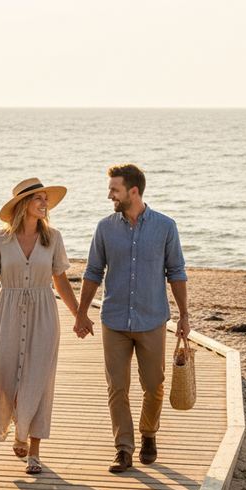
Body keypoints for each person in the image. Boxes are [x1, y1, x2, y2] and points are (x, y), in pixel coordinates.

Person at [75, 163, 190, 474]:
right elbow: (93, 273)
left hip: (152, 319)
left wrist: (184, 315)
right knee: (117, 387)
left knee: (154, 385)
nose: (109, 194)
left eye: (114, 189)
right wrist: (82, 312)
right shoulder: (104, 228)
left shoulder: (166, 227)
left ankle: (149, 433)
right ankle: (123, 449)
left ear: (133, 191)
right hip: (114, 320)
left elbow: (176, 273)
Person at [0, 178, 80, 475]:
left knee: (38, 380)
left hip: (44, 314)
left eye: (46, 199)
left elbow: (60, 279)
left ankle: (33, 450)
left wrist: (79, 314)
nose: (44, 204)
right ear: (23, 206)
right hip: (7, 312)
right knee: (4, 376)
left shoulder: (53, 238)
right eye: (38, 199)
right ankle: (18, 422)